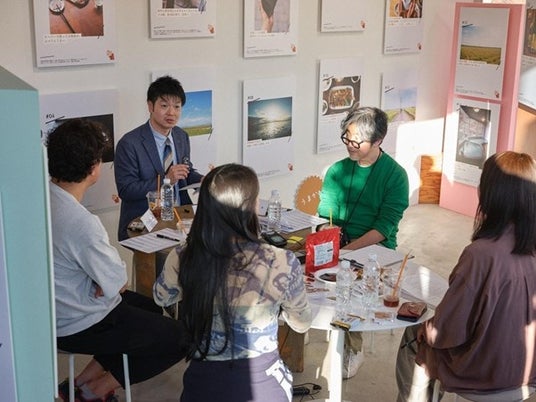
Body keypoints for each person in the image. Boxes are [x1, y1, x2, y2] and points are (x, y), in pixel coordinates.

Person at [48, 119, 188, 402]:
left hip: (55, 307)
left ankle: (79, 382)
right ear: (94, 168)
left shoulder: (43, 199)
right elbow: (118, 282)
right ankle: (93, 392)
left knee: (149, 306)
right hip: (79, 320)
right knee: (182, 338)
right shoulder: (82, 222)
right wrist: (105, 280)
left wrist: (100, 279)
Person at [153, 163, 312, 402]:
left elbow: (161, 297)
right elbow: (301, 323)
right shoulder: (282, 261)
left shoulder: (184, 255)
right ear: (251, 207)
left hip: (203, 385)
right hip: (264, 384)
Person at [396, 151, 536, 402]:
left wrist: (427, 328)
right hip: (528, 369)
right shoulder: (529, 248)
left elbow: (448, 329)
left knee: (414, 334)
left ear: (490, 194)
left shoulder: (480, 254)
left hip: (484, 372)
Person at [317, 106, 409, 378]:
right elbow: (325, 215)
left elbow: (383, 228)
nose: (350, 145)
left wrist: (345, 251)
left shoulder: (395, 176)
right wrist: (327, 235)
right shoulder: (337, 170)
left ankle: (353, 347)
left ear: (379, 140)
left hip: (375, 249)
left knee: (352, 287)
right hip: (340, 243)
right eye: (347, 137)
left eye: (357, 141)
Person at [115, 75, 203, 241]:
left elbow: (185, 171)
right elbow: (126, 190)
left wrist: (203, 179)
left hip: (181, 217)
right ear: (150, 106)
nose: (171, 112)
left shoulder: (181, 136)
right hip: (145, 222)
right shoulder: (129, 143)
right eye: (164, 106)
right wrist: (166, 180)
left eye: (177, 106)